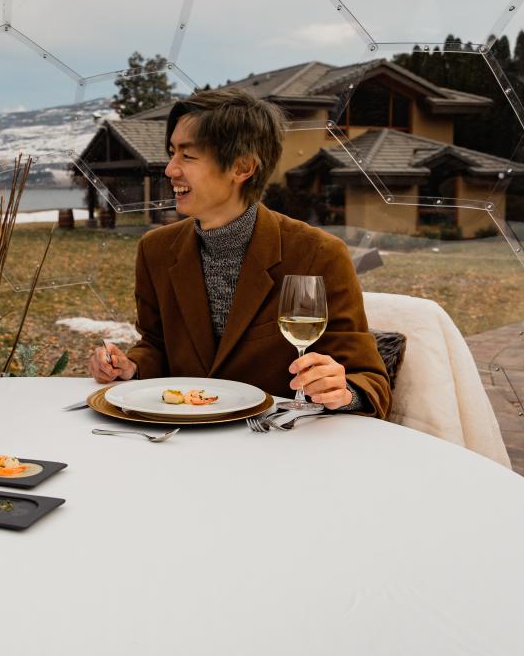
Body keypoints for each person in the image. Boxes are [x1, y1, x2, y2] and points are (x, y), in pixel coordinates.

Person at [87, 87, 391, 418]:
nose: (170, 169)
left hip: (278, 437)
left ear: (242, 167)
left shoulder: (319, 254)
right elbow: (156, 346)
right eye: (172, 153)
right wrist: (130, 367)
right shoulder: (155, 250)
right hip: (182, 434)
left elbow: (370, 381)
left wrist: (342, 391)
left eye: (187, 156)